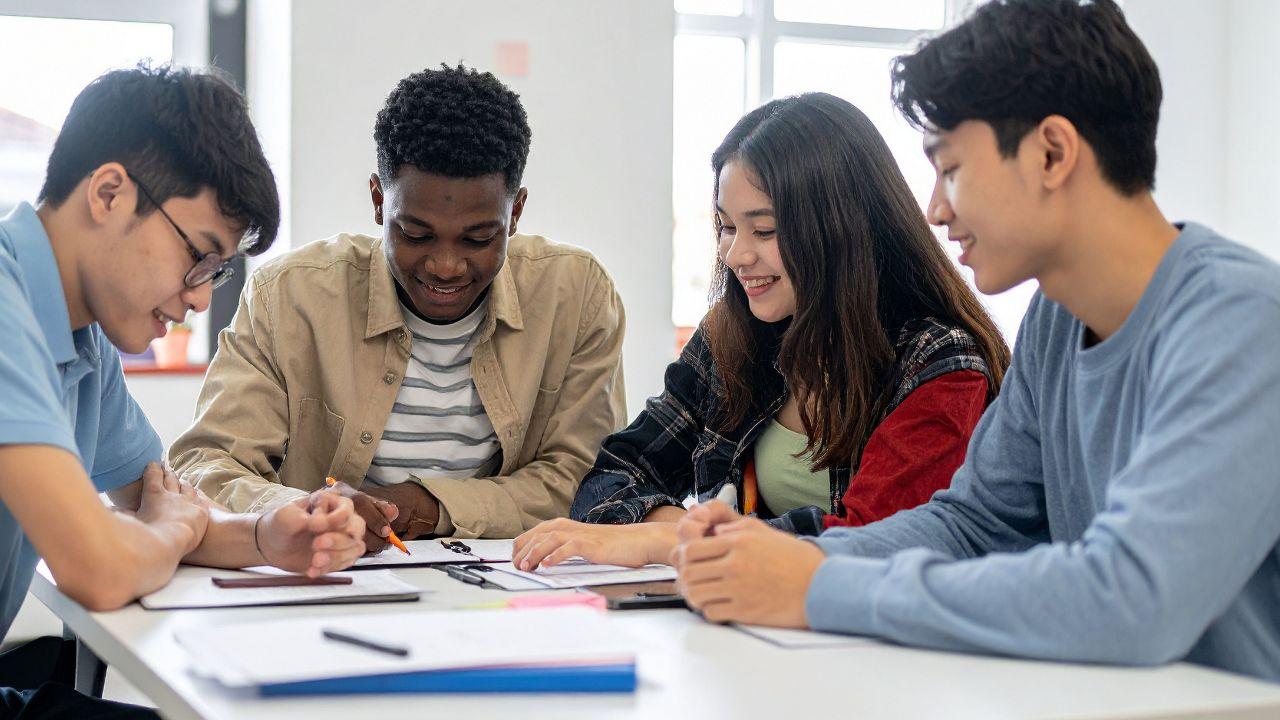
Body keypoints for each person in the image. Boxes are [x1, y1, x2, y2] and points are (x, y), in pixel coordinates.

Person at [671, 0, 1280, 684]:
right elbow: (973, 526)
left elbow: (1133, 598)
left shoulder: (1243, 319)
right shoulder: (1056, 320)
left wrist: (816, 588)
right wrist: (782, 559)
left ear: (1052, 152)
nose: (935, 208)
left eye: (952, 169)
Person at [0, 65, 366, 717]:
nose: (201, 296)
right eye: (197, 257)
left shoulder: (82, 336)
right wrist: (166, 530)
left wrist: (266, 537)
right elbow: (103, 567)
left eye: (218, 271)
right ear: (109, 193)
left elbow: (163, 499)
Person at [512, 92, 1009, 572]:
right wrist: (687, 539)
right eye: (727, 227)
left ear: (843, 227)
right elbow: (614, 474)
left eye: (764, 231)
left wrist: (674, 540)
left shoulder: (940, 364)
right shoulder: (734, 334)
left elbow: (875, 540)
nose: (736, 254)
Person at [170, 64, 627, 546]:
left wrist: (430, 506)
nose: (446, 266)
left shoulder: (576, 296)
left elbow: (584, 478)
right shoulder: (289, 297)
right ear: (377, 202)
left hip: (501, 589)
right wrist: (303, 512)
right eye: (414, 233)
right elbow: (205, 464)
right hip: (331, 577)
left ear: (514, 213)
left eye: (478, 238)